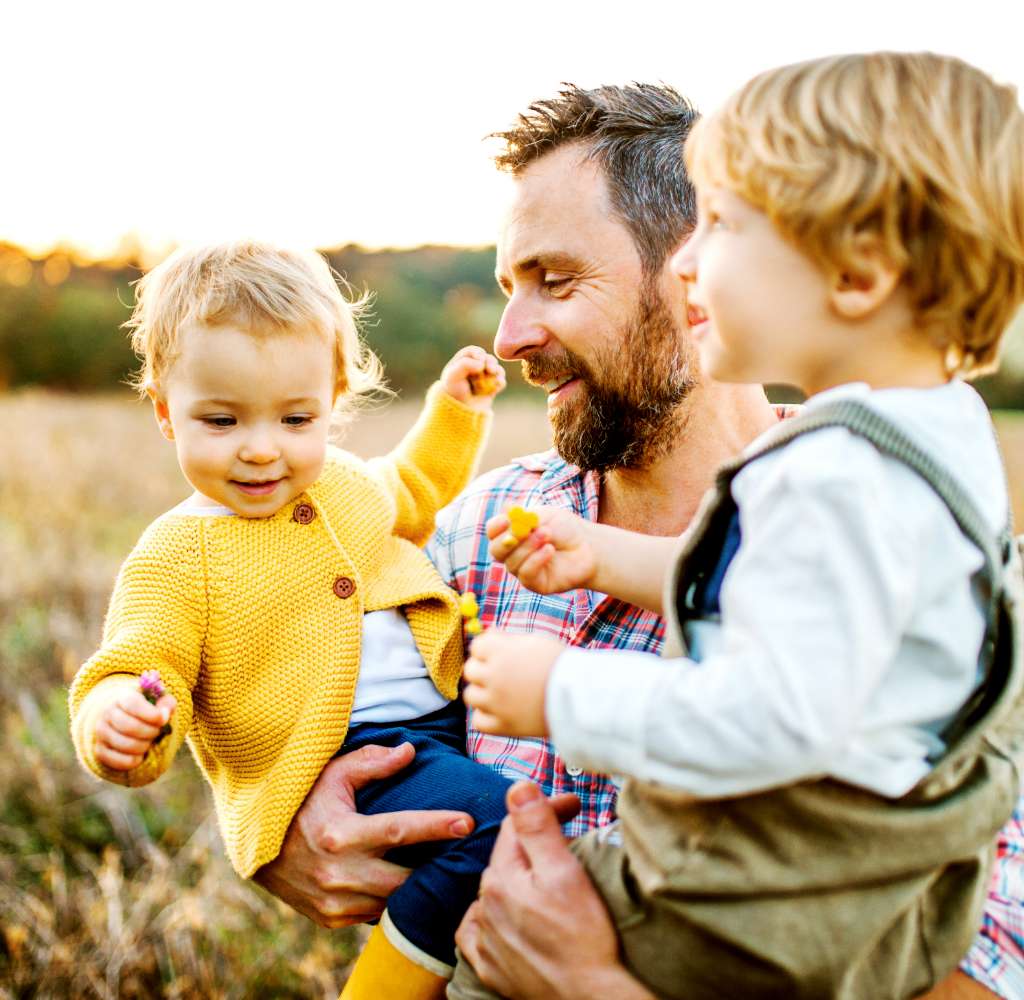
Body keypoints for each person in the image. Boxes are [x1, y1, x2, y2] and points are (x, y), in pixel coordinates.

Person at [252, 85, 1024, 999]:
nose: (510, 338)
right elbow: (314, 704)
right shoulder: (474, 535)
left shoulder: (944, 577)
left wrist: (592, 989)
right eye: (508, 288)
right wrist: (284, 831)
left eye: (556, 280)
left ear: (691, 269)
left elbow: (984, 965)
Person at [67, 241, 515, 1000]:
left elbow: (414, 485)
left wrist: (456, 409)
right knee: (497, 823)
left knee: (503, 835)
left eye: (296, 417)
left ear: (335, 398)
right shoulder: (179, 552)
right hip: (351, 753)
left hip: (442, 723)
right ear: (165, 411)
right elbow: (136, 663)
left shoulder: (342, 484)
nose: (262, 449)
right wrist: (116, 720)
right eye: (221, 420)